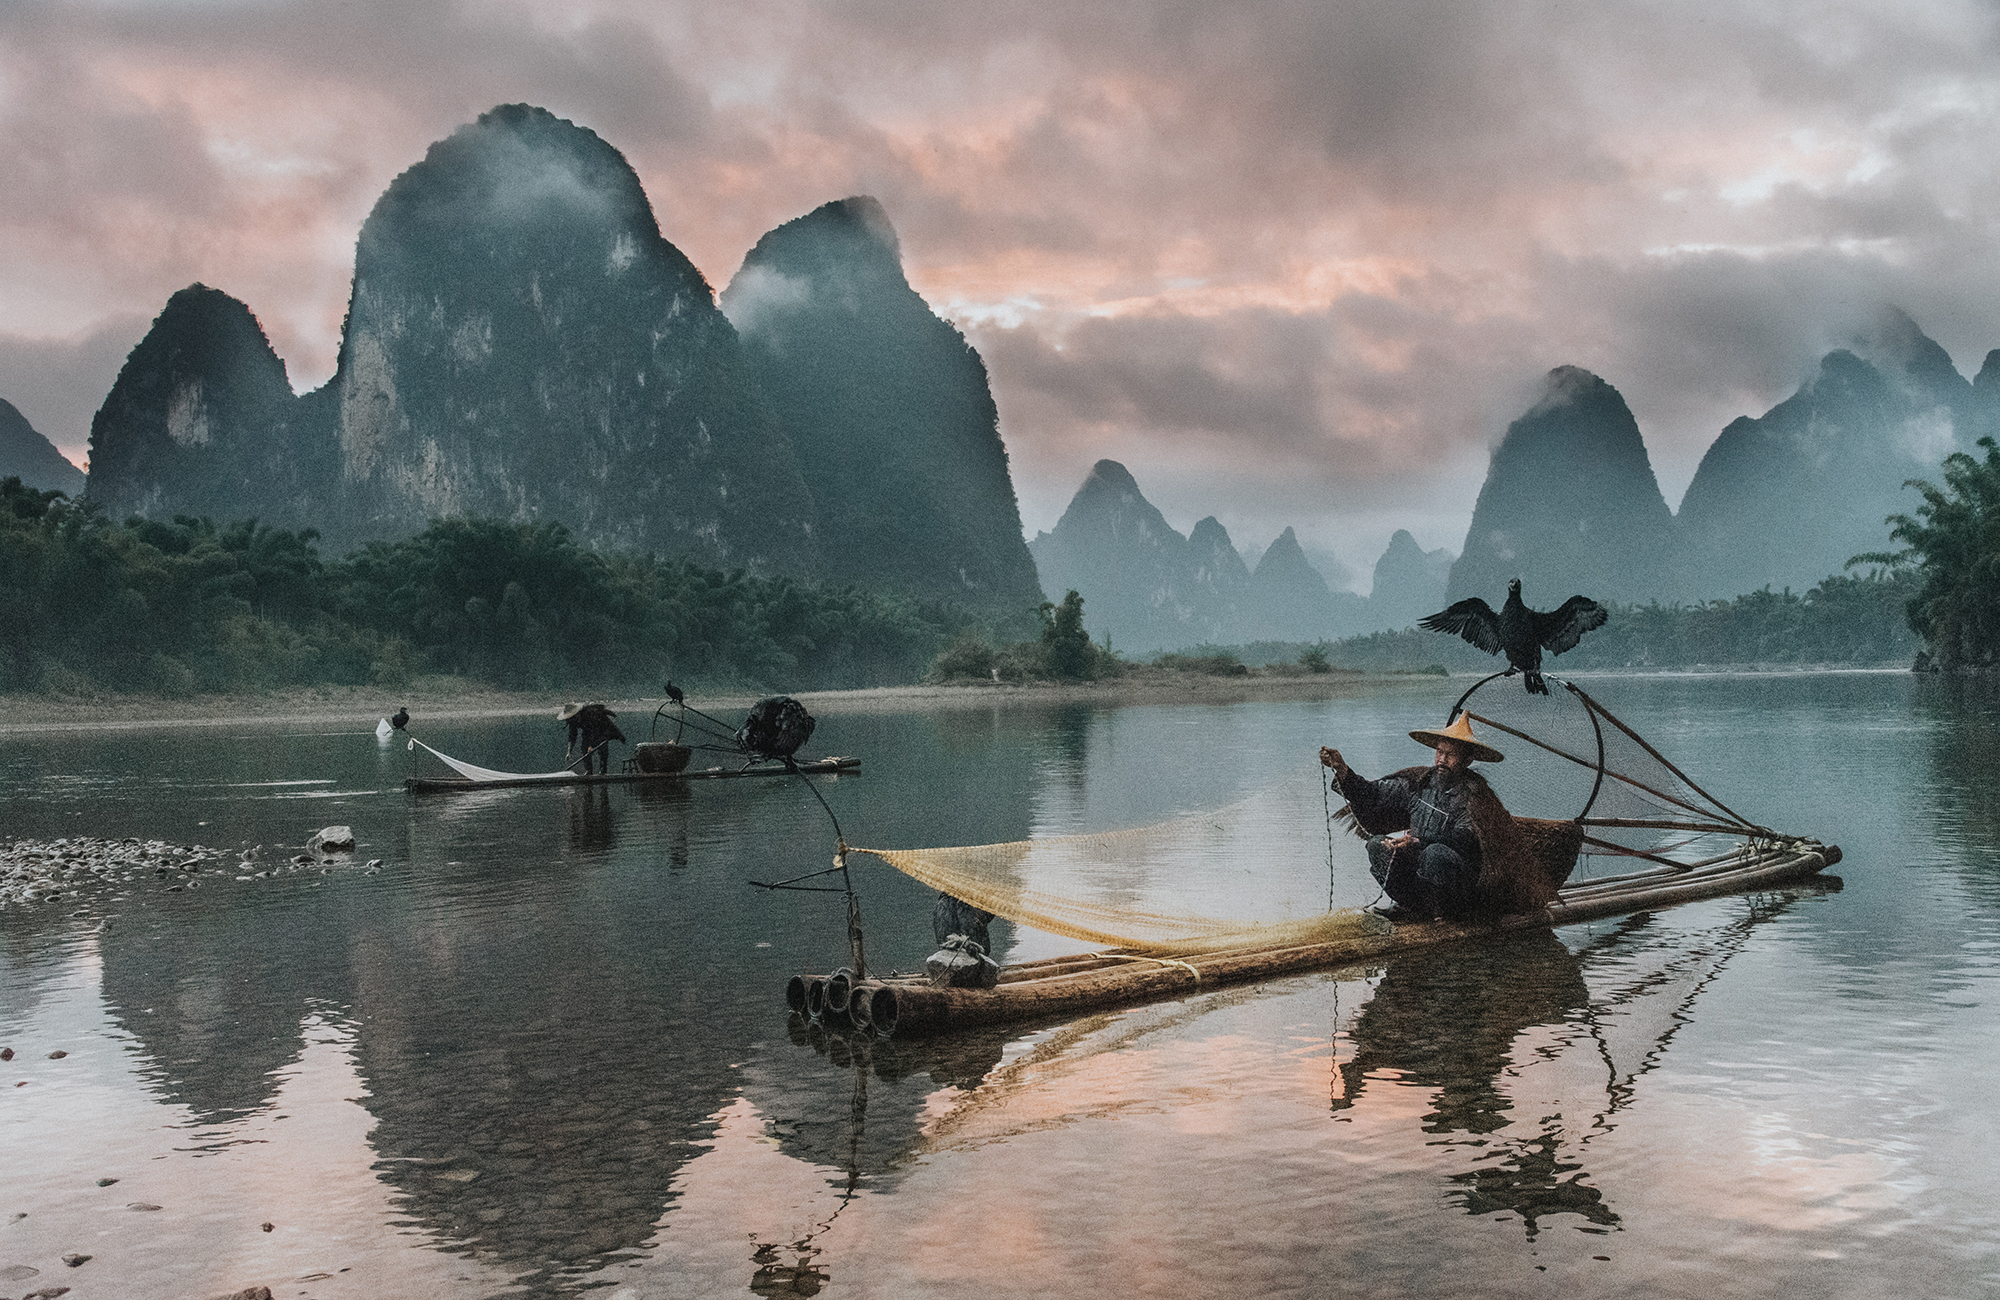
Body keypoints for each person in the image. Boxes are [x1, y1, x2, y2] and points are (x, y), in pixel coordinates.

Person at [1319, 712, 1545, 922]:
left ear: (1466, 761)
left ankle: (1446, 913)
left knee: (1435, 854)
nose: (1442, 760)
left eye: (1451, 755)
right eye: (1440, 752)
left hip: (1460, 884)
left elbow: (1465, 839)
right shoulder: (1419, 781)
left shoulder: (1475, 796)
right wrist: (1342, 770)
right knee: (1378, 846)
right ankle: (1411, 906)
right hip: (1422, 874)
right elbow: (1372, 794)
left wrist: (1418, 842)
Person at [559, 702, 626, 775]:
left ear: (577, 714)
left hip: (602, 728)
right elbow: (572, 736)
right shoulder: (572, 720)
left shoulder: (590, 714)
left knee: (602, 748)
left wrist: (590, 746)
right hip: (589, 732)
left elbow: (594, 731)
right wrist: (569, 752)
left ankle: (603, 771)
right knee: (584, 749)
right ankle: (588, 771)